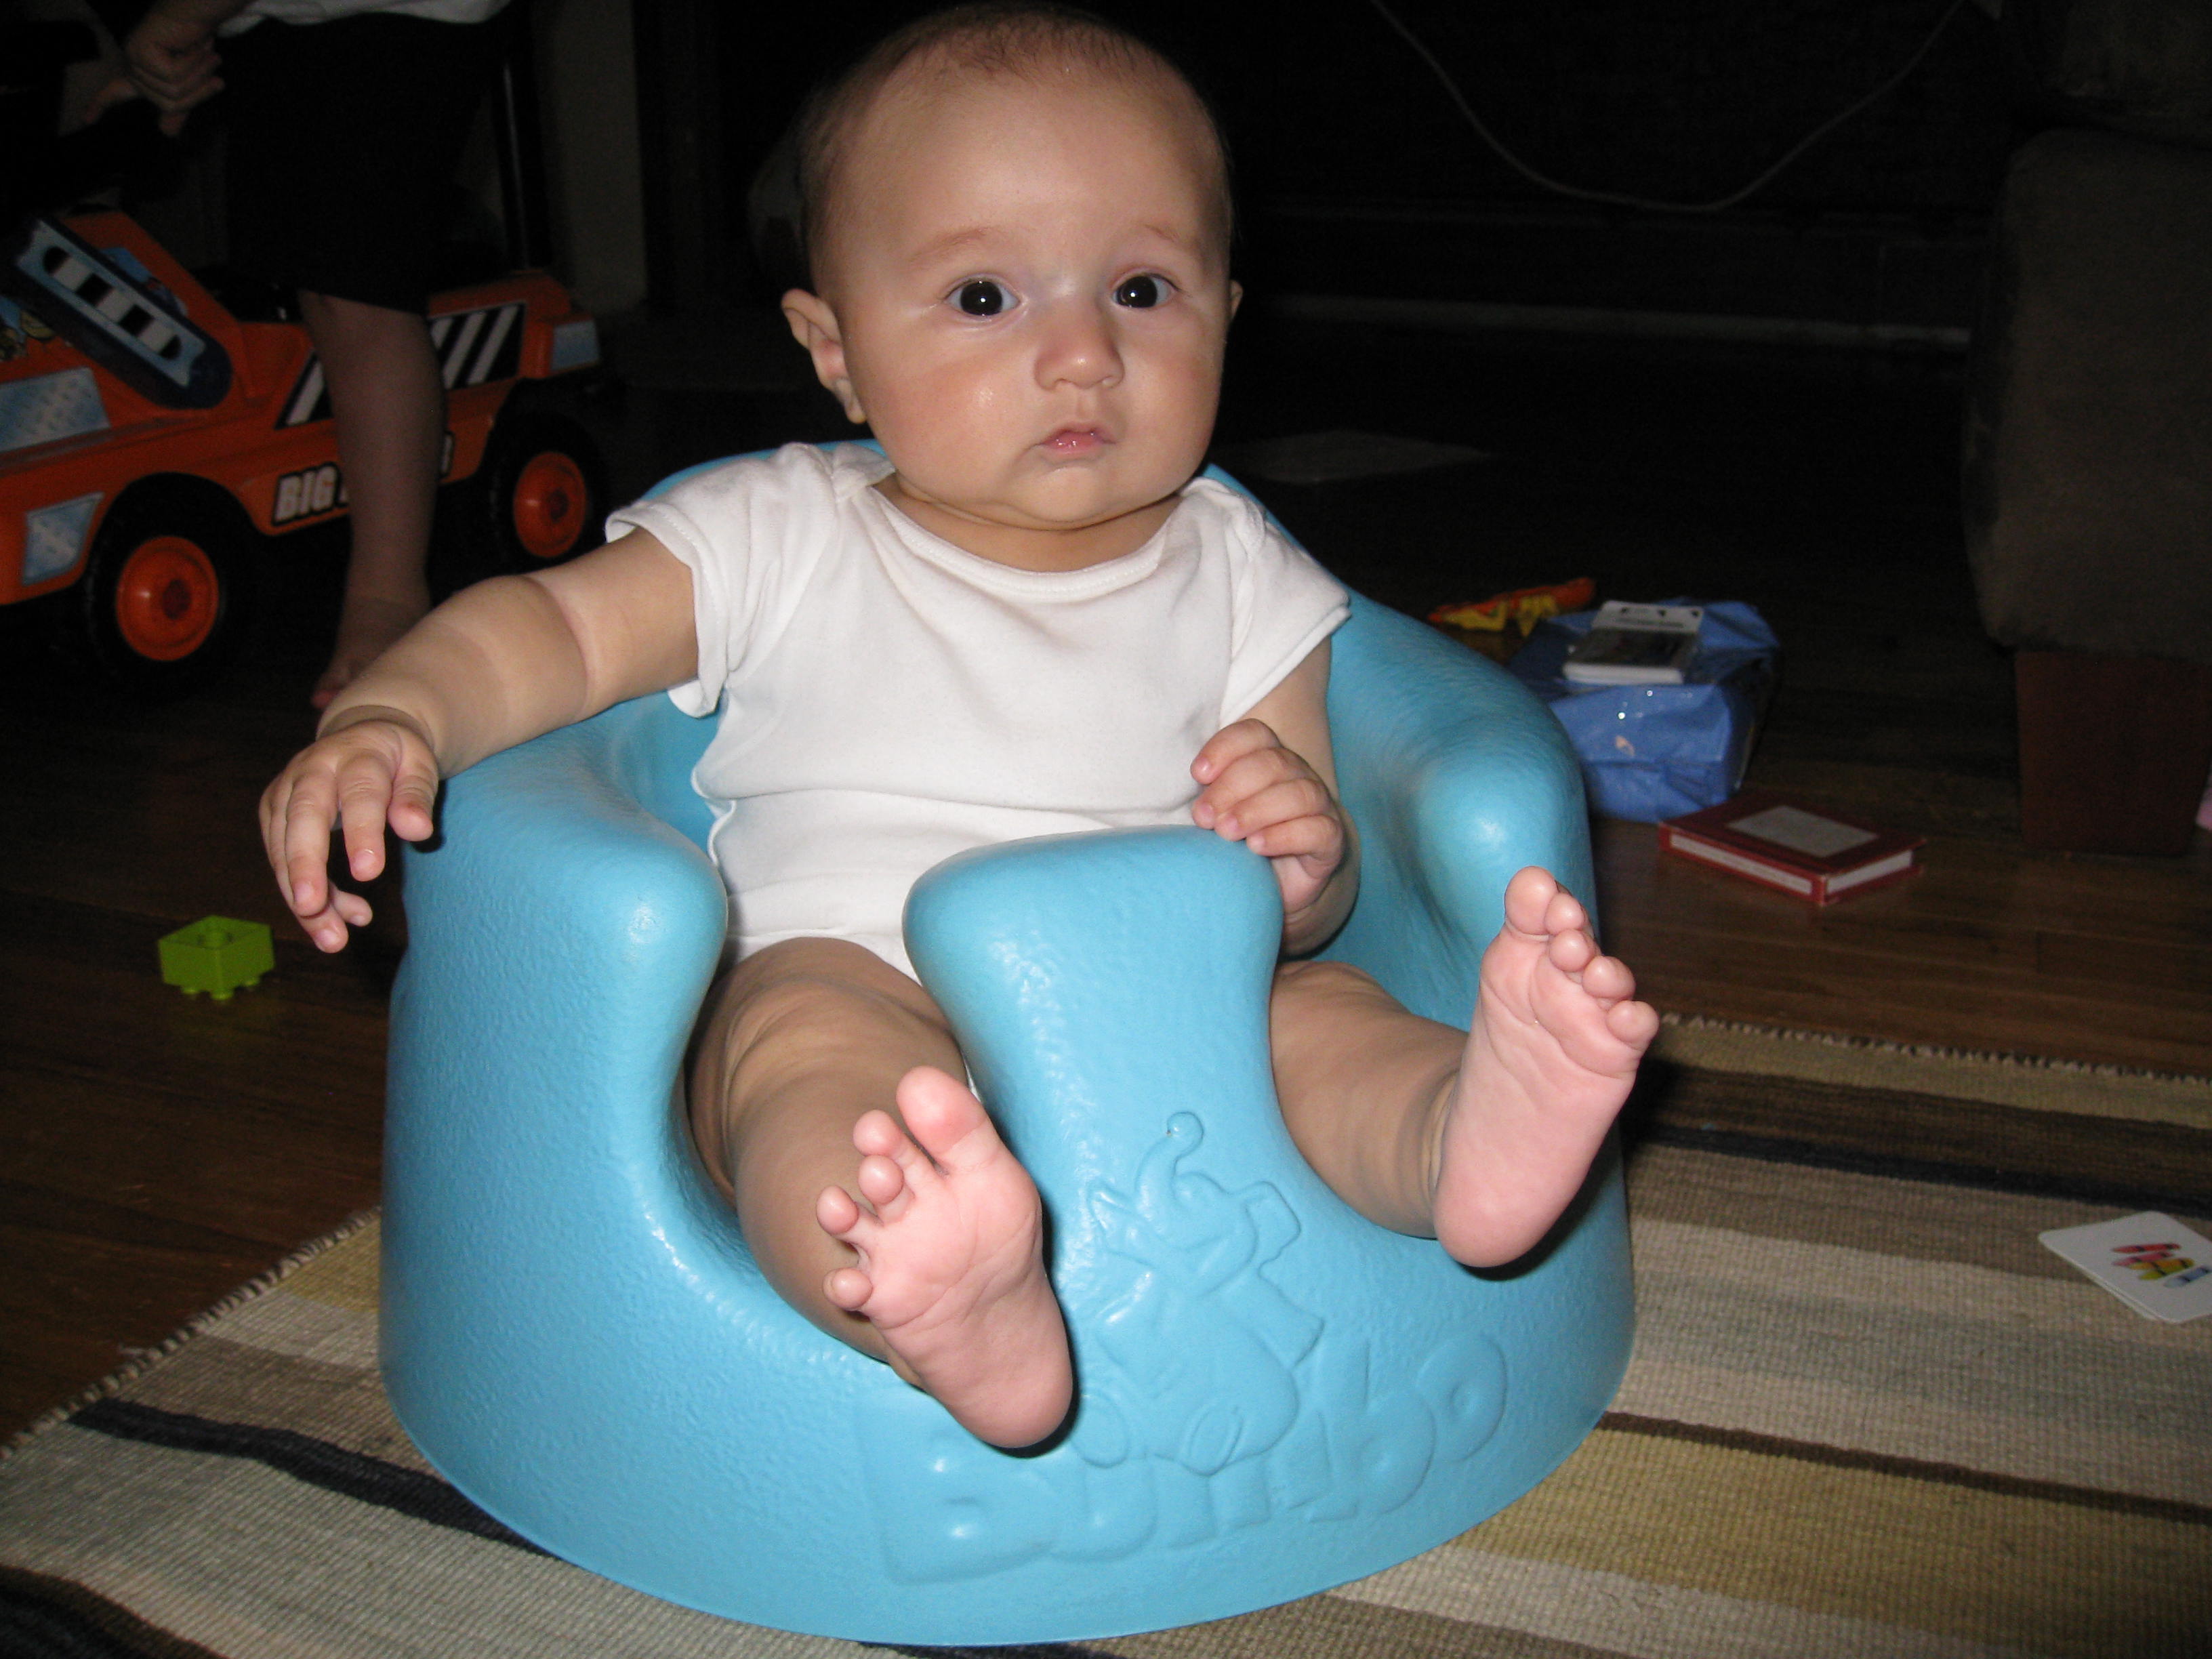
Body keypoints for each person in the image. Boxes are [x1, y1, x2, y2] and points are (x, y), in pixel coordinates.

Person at [260, 2, 1660, 1451]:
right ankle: (929, 1296)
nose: (1081, 355)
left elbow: (1311, 878)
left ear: (1227, 315)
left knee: (1322, 1018)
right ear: (836, 347)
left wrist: (1302, 864)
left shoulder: (1240, 566)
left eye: (1140, 289)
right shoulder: (778, 531)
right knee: (788, 1062)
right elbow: (550, 634)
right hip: (853, 966)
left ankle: (1454, 1139)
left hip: (1173, 992)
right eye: (986, 297)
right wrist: (395, 712)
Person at [95, 0, 510, 708]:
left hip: (381, 12)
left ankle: (387, 597)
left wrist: (181, 16)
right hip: (272, 23)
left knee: (355, 290)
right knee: (313, 283)